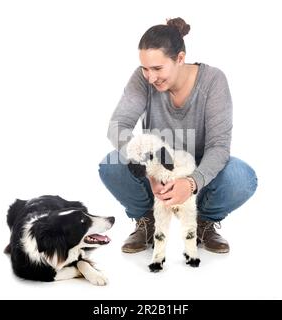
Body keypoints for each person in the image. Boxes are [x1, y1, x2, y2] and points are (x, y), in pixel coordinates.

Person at [99, 17, 257, 255]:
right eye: (145, 68)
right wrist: (146, 165)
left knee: (242, 177)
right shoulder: (143, 80)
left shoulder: (213, 81)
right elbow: (117, 126)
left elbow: (219, 146)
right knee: (110, 165)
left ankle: (203, 221)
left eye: (157, 69)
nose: (150, 77)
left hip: (197, 171)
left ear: (180, 59)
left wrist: (192, 182)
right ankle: (147, 220)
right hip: (156, 167)